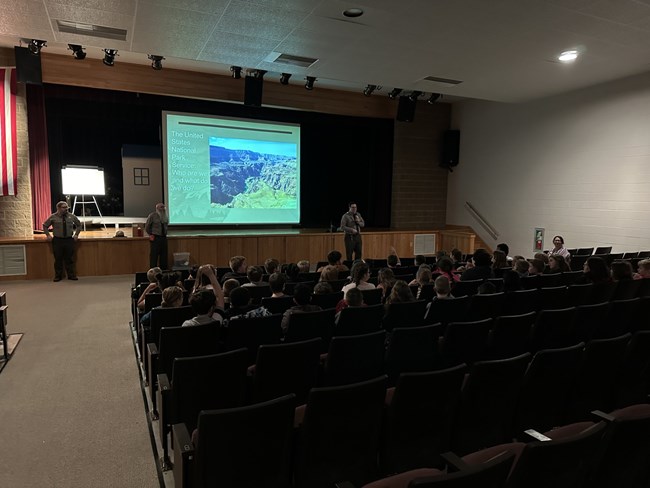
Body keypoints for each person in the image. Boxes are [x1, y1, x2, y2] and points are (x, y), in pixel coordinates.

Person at [43, 201, 82, 281]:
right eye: (64, 207)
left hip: (68, 240)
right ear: (58, 208)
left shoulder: (71, 216)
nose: (66, 209)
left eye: (67, 207)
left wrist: (76, 234)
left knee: (69, 259)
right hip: (58, 240)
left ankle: (71, 275)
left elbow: (79, 225)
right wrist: (48, 235)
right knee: (58, 259)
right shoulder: (53, 217)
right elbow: (45, 225)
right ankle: (58, 276)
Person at [145, 203, 169, 269]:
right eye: (161, 207)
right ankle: (153, 271)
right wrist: (150, 234)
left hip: (163, 237)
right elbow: (147, 226)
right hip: (155, 238)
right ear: (157, 208)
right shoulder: (152, 215)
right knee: (154, 256)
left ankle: (164, 271)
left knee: (164, 255)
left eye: (163, 207)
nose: (163, 209)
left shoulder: (165, 217)